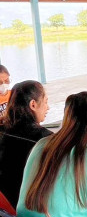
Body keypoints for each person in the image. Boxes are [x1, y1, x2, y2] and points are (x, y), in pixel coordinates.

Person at [0, 80, 52, 208]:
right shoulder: (45, 138)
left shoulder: (3, 131)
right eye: (45, 102)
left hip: (7, 209)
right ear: (33, 104)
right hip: (31, 209)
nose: (48, 107)